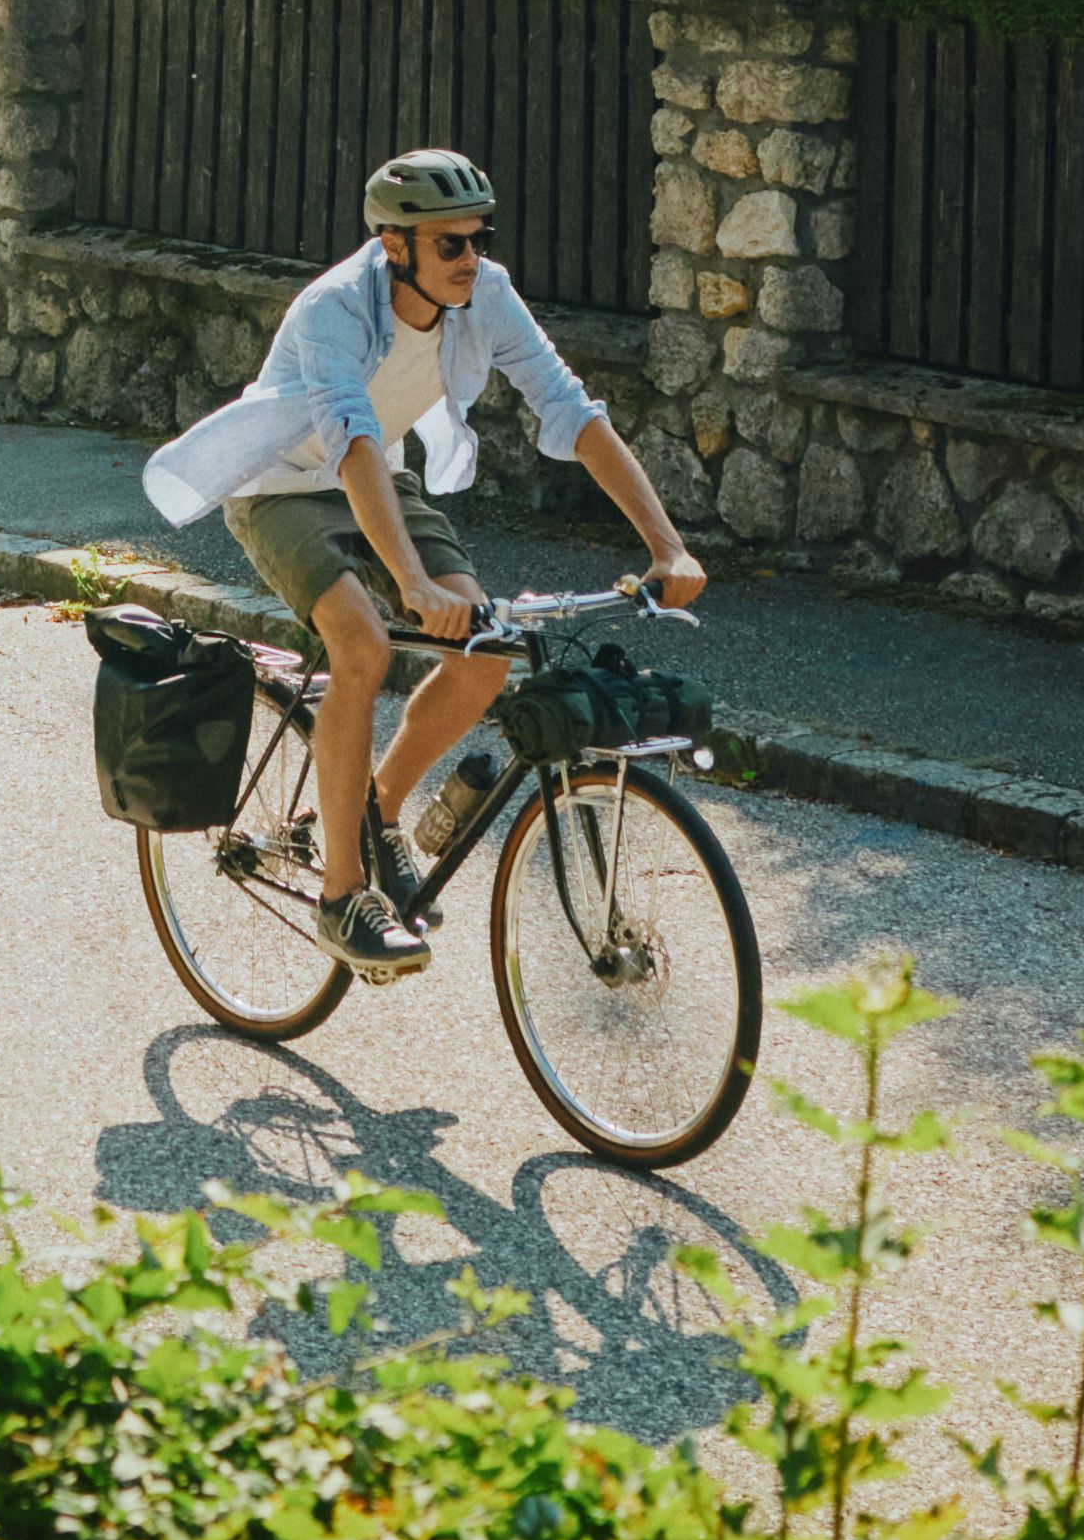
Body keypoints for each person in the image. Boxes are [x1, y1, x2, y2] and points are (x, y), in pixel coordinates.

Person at [138, 144, 709, 967]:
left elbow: (570, 409)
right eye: (451, 243)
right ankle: (340, 897)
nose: (470, 258)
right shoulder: (334, 307)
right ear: (395, 245)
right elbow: (351, 439)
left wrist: (667, 544)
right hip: (284, 485)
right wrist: (405, 579)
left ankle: (374, 810)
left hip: (382, 475)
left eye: (478, 238)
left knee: (481, 657)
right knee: (363, 646)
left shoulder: (487, 294)